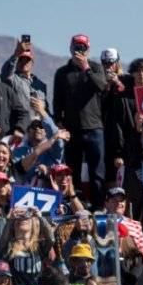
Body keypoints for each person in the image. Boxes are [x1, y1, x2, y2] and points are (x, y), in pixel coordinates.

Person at [52, 34, 108, 205]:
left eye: (83, 47)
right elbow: (57, 99)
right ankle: (74, 206)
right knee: (72, 171)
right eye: (77, 47)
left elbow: (101, 85)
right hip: (72, 129)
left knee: (97, 171)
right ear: (70, 48)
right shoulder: (62, 72)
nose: (80, 50)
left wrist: (86, 68)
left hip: (94, 127)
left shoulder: (96, 68)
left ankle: (98, 207)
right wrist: (58, 121)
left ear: (88, 50)